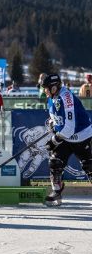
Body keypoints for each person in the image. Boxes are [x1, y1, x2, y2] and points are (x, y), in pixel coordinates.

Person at [42, 73, 92, 206]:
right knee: (55, 162)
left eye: (46, 88)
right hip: (65, 137)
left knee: (89, 166)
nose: (44, 91)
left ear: (54, 87)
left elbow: (70, 128)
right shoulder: (51, 98)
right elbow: (53, 115)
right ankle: (56, 192)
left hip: (81, 135)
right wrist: (53, 123)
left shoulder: (66, 97)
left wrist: (54, 140)